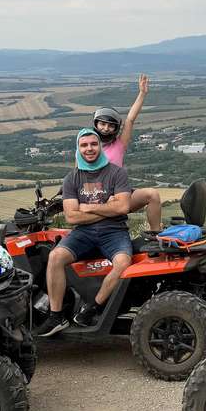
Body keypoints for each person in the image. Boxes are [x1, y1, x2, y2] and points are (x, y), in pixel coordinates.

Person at [37, 129, 134, 337]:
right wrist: (107, 208)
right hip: (83, 233)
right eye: (84, 145)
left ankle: (92, 308)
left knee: (124, 264)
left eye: (93, 144)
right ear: (78, 149)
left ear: (100, 146)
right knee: (55, 257)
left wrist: (88, 207)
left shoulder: (117, 173)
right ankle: (56, 316)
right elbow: (72, 217)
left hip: (114, 232)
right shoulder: (72, 178)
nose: (89, 148)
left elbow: (123, 208)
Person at [92, 73, 163, 235]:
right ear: (96, 124)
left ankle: (155, 234)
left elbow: (130, 119)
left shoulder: (119, 145)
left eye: (110, 126)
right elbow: (79, 175)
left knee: (152, 194)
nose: (105, 128)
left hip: (121, 194)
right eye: (102, 124)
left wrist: (142, 93)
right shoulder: (87, 148)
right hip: (98, 198)